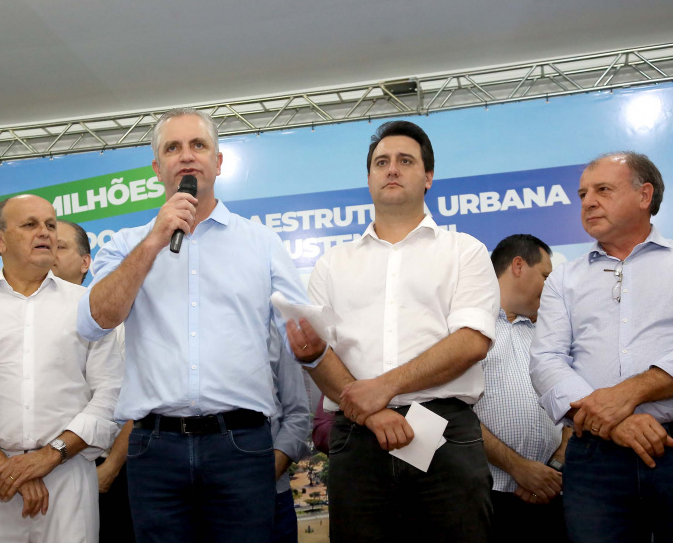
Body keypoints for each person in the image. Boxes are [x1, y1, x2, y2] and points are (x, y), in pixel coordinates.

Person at [78, 108, 310, 543]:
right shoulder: (129, 244)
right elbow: (95, 321)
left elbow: (302, 338)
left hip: (240, 444)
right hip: (154, 449)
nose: (186, 156)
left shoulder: (261, 244)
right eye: (173, 148)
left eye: (198, 145)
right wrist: (154, 241)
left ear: (218, 162)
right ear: (157, 168)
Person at [289, 120, 500, 542]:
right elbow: (316, 353)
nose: (392, 169)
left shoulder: (465, 251)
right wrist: (373, 410)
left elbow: (471, 341)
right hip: (356, 437)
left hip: (444, 434)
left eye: (405, 161)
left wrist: (381, 388)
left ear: (428, 177)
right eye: (381, 162)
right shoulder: (333, 263)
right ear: (368, 178)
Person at [0, 195, 122, 543]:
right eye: (30, 224)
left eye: (50, 225)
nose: (45, 233)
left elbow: (110, 392)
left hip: (67, 478)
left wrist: (51, 456)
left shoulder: (87, 305)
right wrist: (5, 466)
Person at [529, 152, 673, 542]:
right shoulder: (563, 279)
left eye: (603, 190)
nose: (588, 201)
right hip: (595, 461)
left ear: (644, 195)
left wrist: (630, 392)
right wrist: (615, 420)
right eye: (583, 193)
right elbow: (546, 361)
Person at [474, 234, 568, 543]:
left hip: (551, 493)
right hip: (486, 497)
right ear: (518, 266)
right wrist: (519, 468)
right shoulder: (468, 330)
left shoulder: (550, 335)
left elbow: (575, 403)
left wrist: (551, 469)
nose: (550, 286)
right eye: (545, 275)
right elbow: (449, 412)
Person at [51, 219, 135, 543]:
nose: (50, 252)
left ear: (86, 262)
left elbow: (131, 403)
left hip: (104, 470)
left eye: (61, 246)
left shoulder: (113, 318)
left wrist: (111, 467)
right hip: (38, 468)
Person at [268, 324, 312, 543]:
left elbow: (297, 413)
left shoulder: (274, 326)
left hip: (272, 493)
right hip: (179, 496)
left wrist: (268, 474)